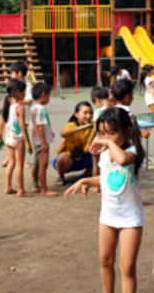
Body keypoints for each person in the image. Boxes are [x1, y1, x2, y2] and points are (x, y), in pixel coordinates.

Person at [65, 107, 144, 293]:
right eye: (102, 133)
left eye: (112, 133)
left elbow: (123, 160)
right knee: (105, 261)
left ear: (127, 131)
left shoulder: (133, 151)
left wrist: (108, 143)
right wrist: (85, 180)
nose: (106, 138)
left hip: (130, 219)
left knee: (127, 267)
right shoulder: (105, 153)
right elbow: (108, 178)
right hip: (108, 216)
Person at [0, 79, 33, 197]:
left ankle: (8, 187)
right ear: (18, 92)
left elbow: (2, 124)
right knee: (19, 165)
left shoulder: (8, 106)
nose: (24, 95)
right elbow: (23, 126)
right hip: (18, 139)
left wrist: (0, 138)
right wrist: (28, 143)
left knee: (11, 163)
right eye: (24, 92)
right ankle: (21, 190)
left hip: (8, 139)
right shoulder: (20, 107)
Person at [52, 101, 93, 185]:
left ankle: (85, 176)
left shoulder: (93, 126)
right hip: (68, 158)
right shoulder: (71, 125)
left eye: (90, 113)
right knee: (63, 158)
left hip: (83, 157)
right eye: (85, 113)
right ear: (76, 114)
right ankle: (61, 176)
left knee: (102, 155)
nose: (88, 116)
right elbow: (63, 133)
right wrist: (82, 127)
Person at [29, 82, 58, 196]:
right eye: (49, 96)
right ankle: (44, 189)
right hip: (41, 141)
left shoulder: (33, 108)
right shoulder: (41, 109)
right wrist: (43, 141)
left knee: (37, 163)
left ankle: (36, 184)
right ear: (43, 94)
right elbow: (40, 125)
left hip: (36, 140)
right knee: (43, 164)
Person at [86, 86, 112, 176]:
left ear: (97, 100)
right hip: (110, 139)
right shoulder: (112, 109)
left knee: (96, 164)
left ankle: (96, 184)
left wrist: (89, 142)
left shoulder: (98, 111)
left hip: (99, 139)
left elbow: (94, 128)